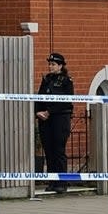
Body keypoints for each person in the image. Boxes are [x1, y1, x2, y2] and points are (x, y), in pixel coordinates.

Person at [35, 52, 74, 193]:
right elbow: (39, 97)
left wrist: (49, 111)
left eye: (53, 64)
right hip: (45, 120)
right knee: (49, 151)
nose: (50, 66)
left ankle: (61, 183)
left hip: (60, 119)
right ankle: (52, 182)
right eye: (49, 64)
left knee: (58, 151)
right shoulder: (46, 80)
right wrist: (38, 112)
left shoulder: (66, 81)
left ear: (60, 66)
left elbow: (66, 101)